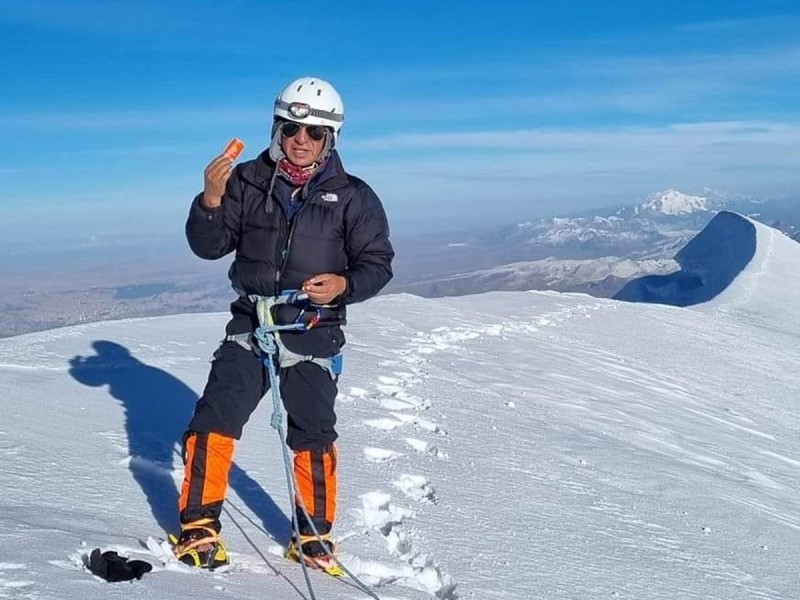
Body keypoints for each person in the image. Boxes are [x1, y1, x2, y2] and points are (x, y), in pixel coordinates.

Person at [173, 76, 394, 570]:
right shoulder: (248, 181)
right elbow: (209, 246)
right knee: (215, 419)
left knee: (313, 433)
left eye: (314, 132)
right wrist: (210, 200)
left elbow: (378, 264)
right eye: (291, 128)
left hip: (314, 329)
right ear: (277, 128)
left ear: (330, 138)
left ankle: (313, 537)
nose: (301, 139)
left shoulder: (353, 196)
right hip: (252, 326)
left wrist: (343, 284)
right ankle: (198, 527)